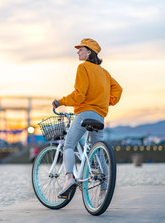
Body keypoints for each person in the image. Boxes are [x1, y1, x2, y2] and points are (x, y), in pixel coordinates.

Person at [52, 38, 123, 198]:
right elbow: (118, 89)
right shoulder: (104, 73)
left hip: (84, 113)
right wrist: (108, 101)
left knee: (68, 144)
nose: (78, 51)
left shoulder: (83, 67)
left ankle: (69, 178)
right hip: (99, 116)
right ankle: (104, 190)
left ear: (89, 51)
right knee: (97, 151)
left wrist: (60, 101)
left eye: (81, 49)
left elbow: (79, 95)